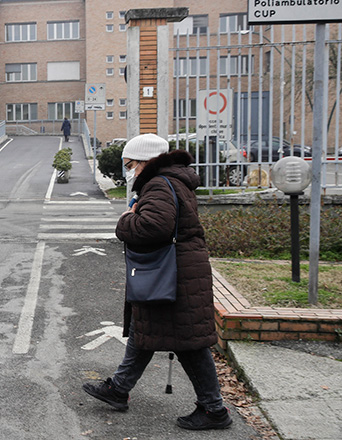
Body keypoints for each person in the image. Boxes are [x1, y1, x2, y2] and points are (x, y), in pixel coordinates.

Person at [82, 133, 232, 431]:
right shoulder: (172, 181)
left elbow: (154, 226)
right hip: (179, 271)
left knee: (189, 343)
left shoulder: (159, 185)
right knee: (146, 328)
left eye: (130, 164)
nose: (129, 171)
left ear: (145, 162)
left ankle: (214, 410)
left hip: (174, 274)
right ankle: (119, 389)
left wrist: (125, 220)